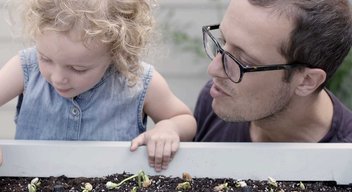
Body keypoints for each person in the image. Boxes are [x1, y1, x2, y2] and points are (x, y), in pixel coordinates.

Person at [0, 0, 197, 171]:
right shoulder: (26, 68)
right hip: (30, 191)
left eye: (78, 68)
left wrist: (169, 127)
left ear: (116, 52)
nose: (58, 77)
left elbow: (184, 119)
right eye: (46, 59)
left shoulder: (137, 81)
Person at [194, 0, 352, 142]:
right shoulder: (215, 99)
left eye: (243, 61)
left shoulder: (345, 163)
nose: (213, 69)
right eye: (223, 41)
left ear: (307, 81)